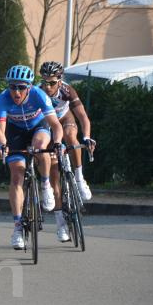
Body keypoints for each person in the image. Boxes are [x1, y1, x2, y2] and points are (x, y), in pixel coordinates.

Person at [0, 65, 64, 249]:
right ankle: (17, 227)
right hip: (15, 132)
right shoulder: (2, 98)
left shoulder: (39, 95)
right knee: (16, 175)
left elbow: (56, 125)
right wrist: (1, 144)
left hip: (38, 127)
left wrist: (57, 143)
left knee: (40, 147)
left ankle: (45, 184)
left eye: (21, 87)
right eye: (12, 86)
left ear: (29, 87)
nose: (16, 92)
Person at [38, 61, 97, 241]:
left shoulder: (67, 90)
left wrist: (87, 137)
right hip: (47, 125)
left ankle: (79, 178)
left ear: (59, 80)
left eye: (52, 83)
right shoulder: (37, 92)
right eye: (45, 82)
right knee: (54, 177)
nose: (48, 87)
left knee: (72, 137)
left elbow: (83, 117)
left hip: (64, 119)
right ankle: (60, 224)